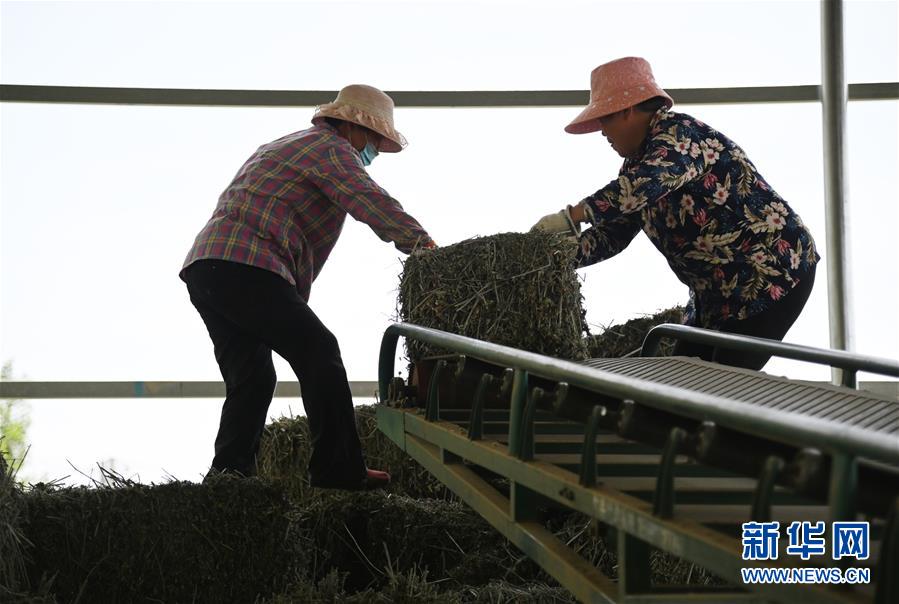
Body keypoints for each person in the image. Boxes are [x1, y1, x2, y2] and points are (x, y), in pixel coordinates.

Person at [181, 84, 435, 489]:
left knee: (252, 378)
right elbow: (370, 200)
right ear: (352, 127)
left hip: (209, 268)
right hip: (246, 263)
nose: (373, 151)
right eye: (373, 140)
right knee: (319, 350)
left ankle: (228, 478)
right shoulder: (331, 149)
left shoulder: (287, 145)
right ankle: (338, 468)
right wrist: (424, 247)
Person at [532, 57, 819, 370]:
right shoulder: (636, 166)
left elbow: (650, 182)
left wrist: (573, 216)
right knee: (683, 374)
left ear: (627, 111)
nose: (602, 132)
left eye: (605, 120)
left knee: (720, 384)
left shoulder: (679, 135)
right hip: (716, 295)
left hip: (768, 274)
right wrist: (558, 255)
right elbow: (614, 233)